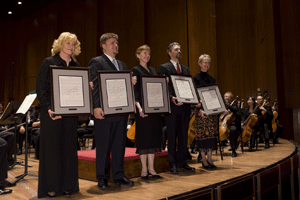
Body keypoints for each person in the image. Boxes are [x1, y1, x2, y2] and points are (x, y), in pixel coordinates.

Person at [36, 32, 81, 198]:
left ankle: (68, 185)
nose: (71, 46)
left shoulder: (77, 66)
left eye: (73, 44)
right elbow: (41, 89)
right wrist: (48, 108)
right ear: (60, 45)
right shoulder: (49, 62)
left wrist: (86, 86)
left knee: (69, 149)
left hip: (70, 116)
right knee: (53, 150)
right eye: (68, 43)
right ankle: (52, 186)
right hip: (52, 114)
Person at [88, 33, 136, 190]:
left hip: (121, 111)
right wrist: (95, 107)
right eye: (112, 43)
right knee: (103, 145)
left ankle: (119, 175)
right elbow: (94, 86)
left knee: (119, 145)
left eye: (117, 43)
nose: (116, 45)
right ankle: (102, 177)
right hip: (104, 112)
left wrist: (131, 82)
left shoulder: (122, 65)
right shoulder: (97, 62)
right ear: (104, 46)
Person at [158, 42, 195, 174]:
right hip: (172, 107)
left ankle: (182, 162)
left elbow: (188, 87)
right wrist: (171, 97)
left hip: (184, 107)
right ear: (169, 52)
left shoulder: (185, 69)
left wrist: (190, 100)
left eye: (180, 49)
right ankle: (172, 163)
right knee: (172, 135)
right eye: (176, 49)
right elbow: (162, 87)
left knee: (183, 136)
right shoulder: (164, 68)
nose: (179, 51)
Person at [131, 45, 163, 179]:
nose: (147, 55)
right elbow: (135, 92)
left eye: (149, 53)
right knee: (144, 140)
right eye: (144, 53)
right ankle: (144, 169)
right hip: (142, 109)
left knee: (153, 139)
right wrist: (139, 108)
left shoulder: (153, 70)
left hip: (153, 110)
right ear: (138, 55)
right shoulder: (135, 70)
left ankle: (152, 168)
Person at [193, 54, 218, 169]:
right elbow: (194, 96)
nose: (206, 65)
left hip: (211, 112)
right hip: (201, 112)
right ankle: (203, 158)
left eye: (208, 63)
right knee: (202, 135)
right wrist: (199, 110)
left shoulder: (212, 78)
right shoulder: (195, 78)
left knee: (211, 136)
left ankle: (210, 158)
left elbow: (215, 96)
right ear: (200, 64)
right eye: (204, 62)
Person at [223, 92, 242, 157]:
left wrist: (226, 106)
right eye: (226, 96)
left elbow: (235, 109)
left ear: (231, 99)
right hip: (222, 123)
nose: (227, 98)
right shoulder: (221, 105)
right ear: (224, 97)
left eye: (229, 97)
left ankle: (233, 150)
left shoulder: (234, 105)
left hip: (231, 124)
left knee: (233, 130)